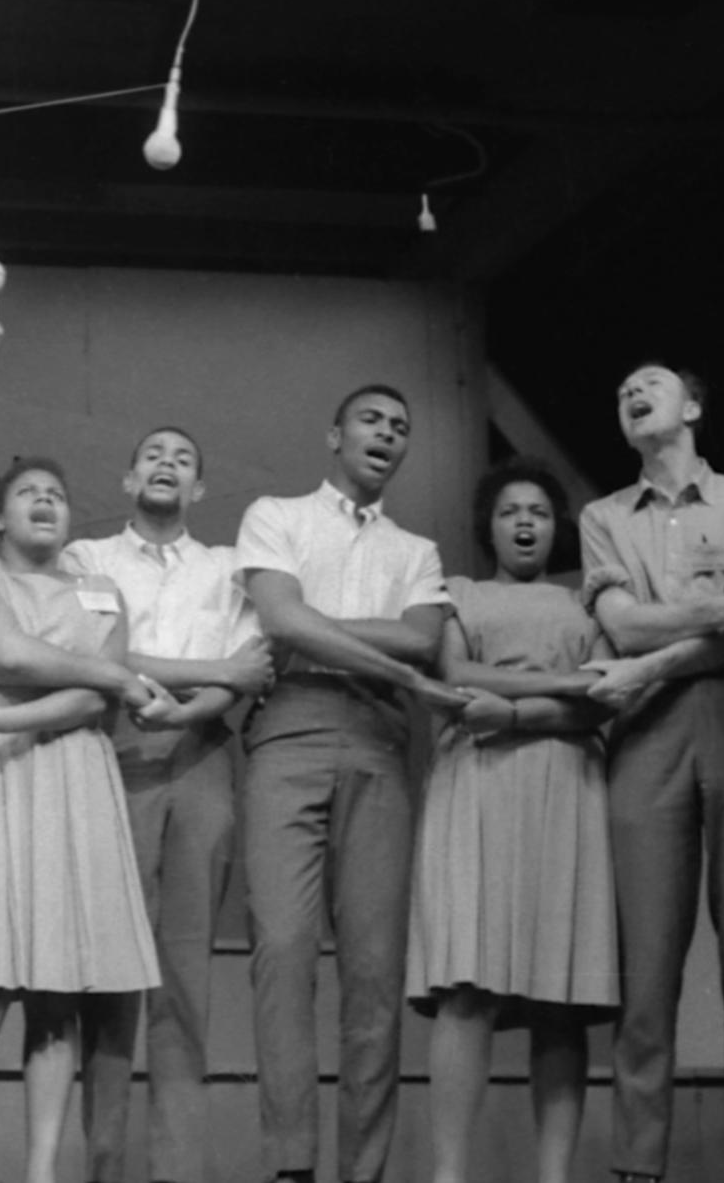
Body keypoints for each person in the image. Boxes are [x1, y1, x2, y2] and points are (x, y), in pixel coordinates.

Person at [0, 458, 178, 1183]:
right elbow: (5, 648)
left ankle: (41, 1173)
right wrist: (108, 672)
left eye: (57, 494)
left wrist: (0, 712)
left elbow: (94, 702)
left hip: (71, 774)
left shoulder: (102, 589)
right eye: (28, 492)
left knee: (61, 986)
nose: (46, 503)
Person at [234, 383, 467, 1183]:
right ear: (335, 432)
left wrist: (315, 621)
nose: (388, 433)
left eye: (402, 427)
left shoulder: (419, 550)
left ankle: (361, 1173)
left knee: (374, 971)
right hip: (289, 730)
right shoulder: (277, 514)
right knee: (284, 954)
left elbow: (421, 638)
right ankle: (291, 1168)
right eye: (372, 419)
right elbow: (278, 619)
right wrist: (371, 644)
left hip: (378, 738)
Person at [576, 363, 724, 1183]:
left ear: (694, 406)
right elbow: (621, 628)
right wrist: (717, 609)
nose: (632, 391)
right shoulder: (603, 516)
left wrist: (657, 658)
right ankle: (639, 1167)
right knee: (648, 973)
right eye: (621, 386)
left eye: (653, 382)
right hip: (649, 740)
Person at [63, 427, 272, 1183]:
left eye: (184, 457)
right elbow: (102, 655)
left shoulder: (227, 569)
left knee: (185, 979)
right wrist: (199, 674)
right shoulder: (89, 560)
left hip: (203, 759)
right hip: (114, 754)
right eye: (152, 454)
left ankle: (177, 1172)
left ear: (200, 489)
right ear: (127, 479)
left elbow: (249, 669)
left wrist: (187, 708)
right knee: (112, 977)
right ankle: (102, 1168)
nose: (166, 465)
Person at [412, 458, 620, 1183]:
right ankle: (449, 1174)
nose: (525, 521)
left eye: (537, 509)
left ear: (557, 524)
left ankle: (554, 1176)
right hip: (477, 783)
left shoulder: (587, 605)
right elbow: (455, 673)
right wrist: (560, 684)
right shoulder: (458, 593)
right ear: (488, 526)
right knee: (467, 985)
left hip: (567, 787)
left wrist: (517, 710)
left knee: (560, 990)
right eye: (509, 511)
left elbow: (604, 697)